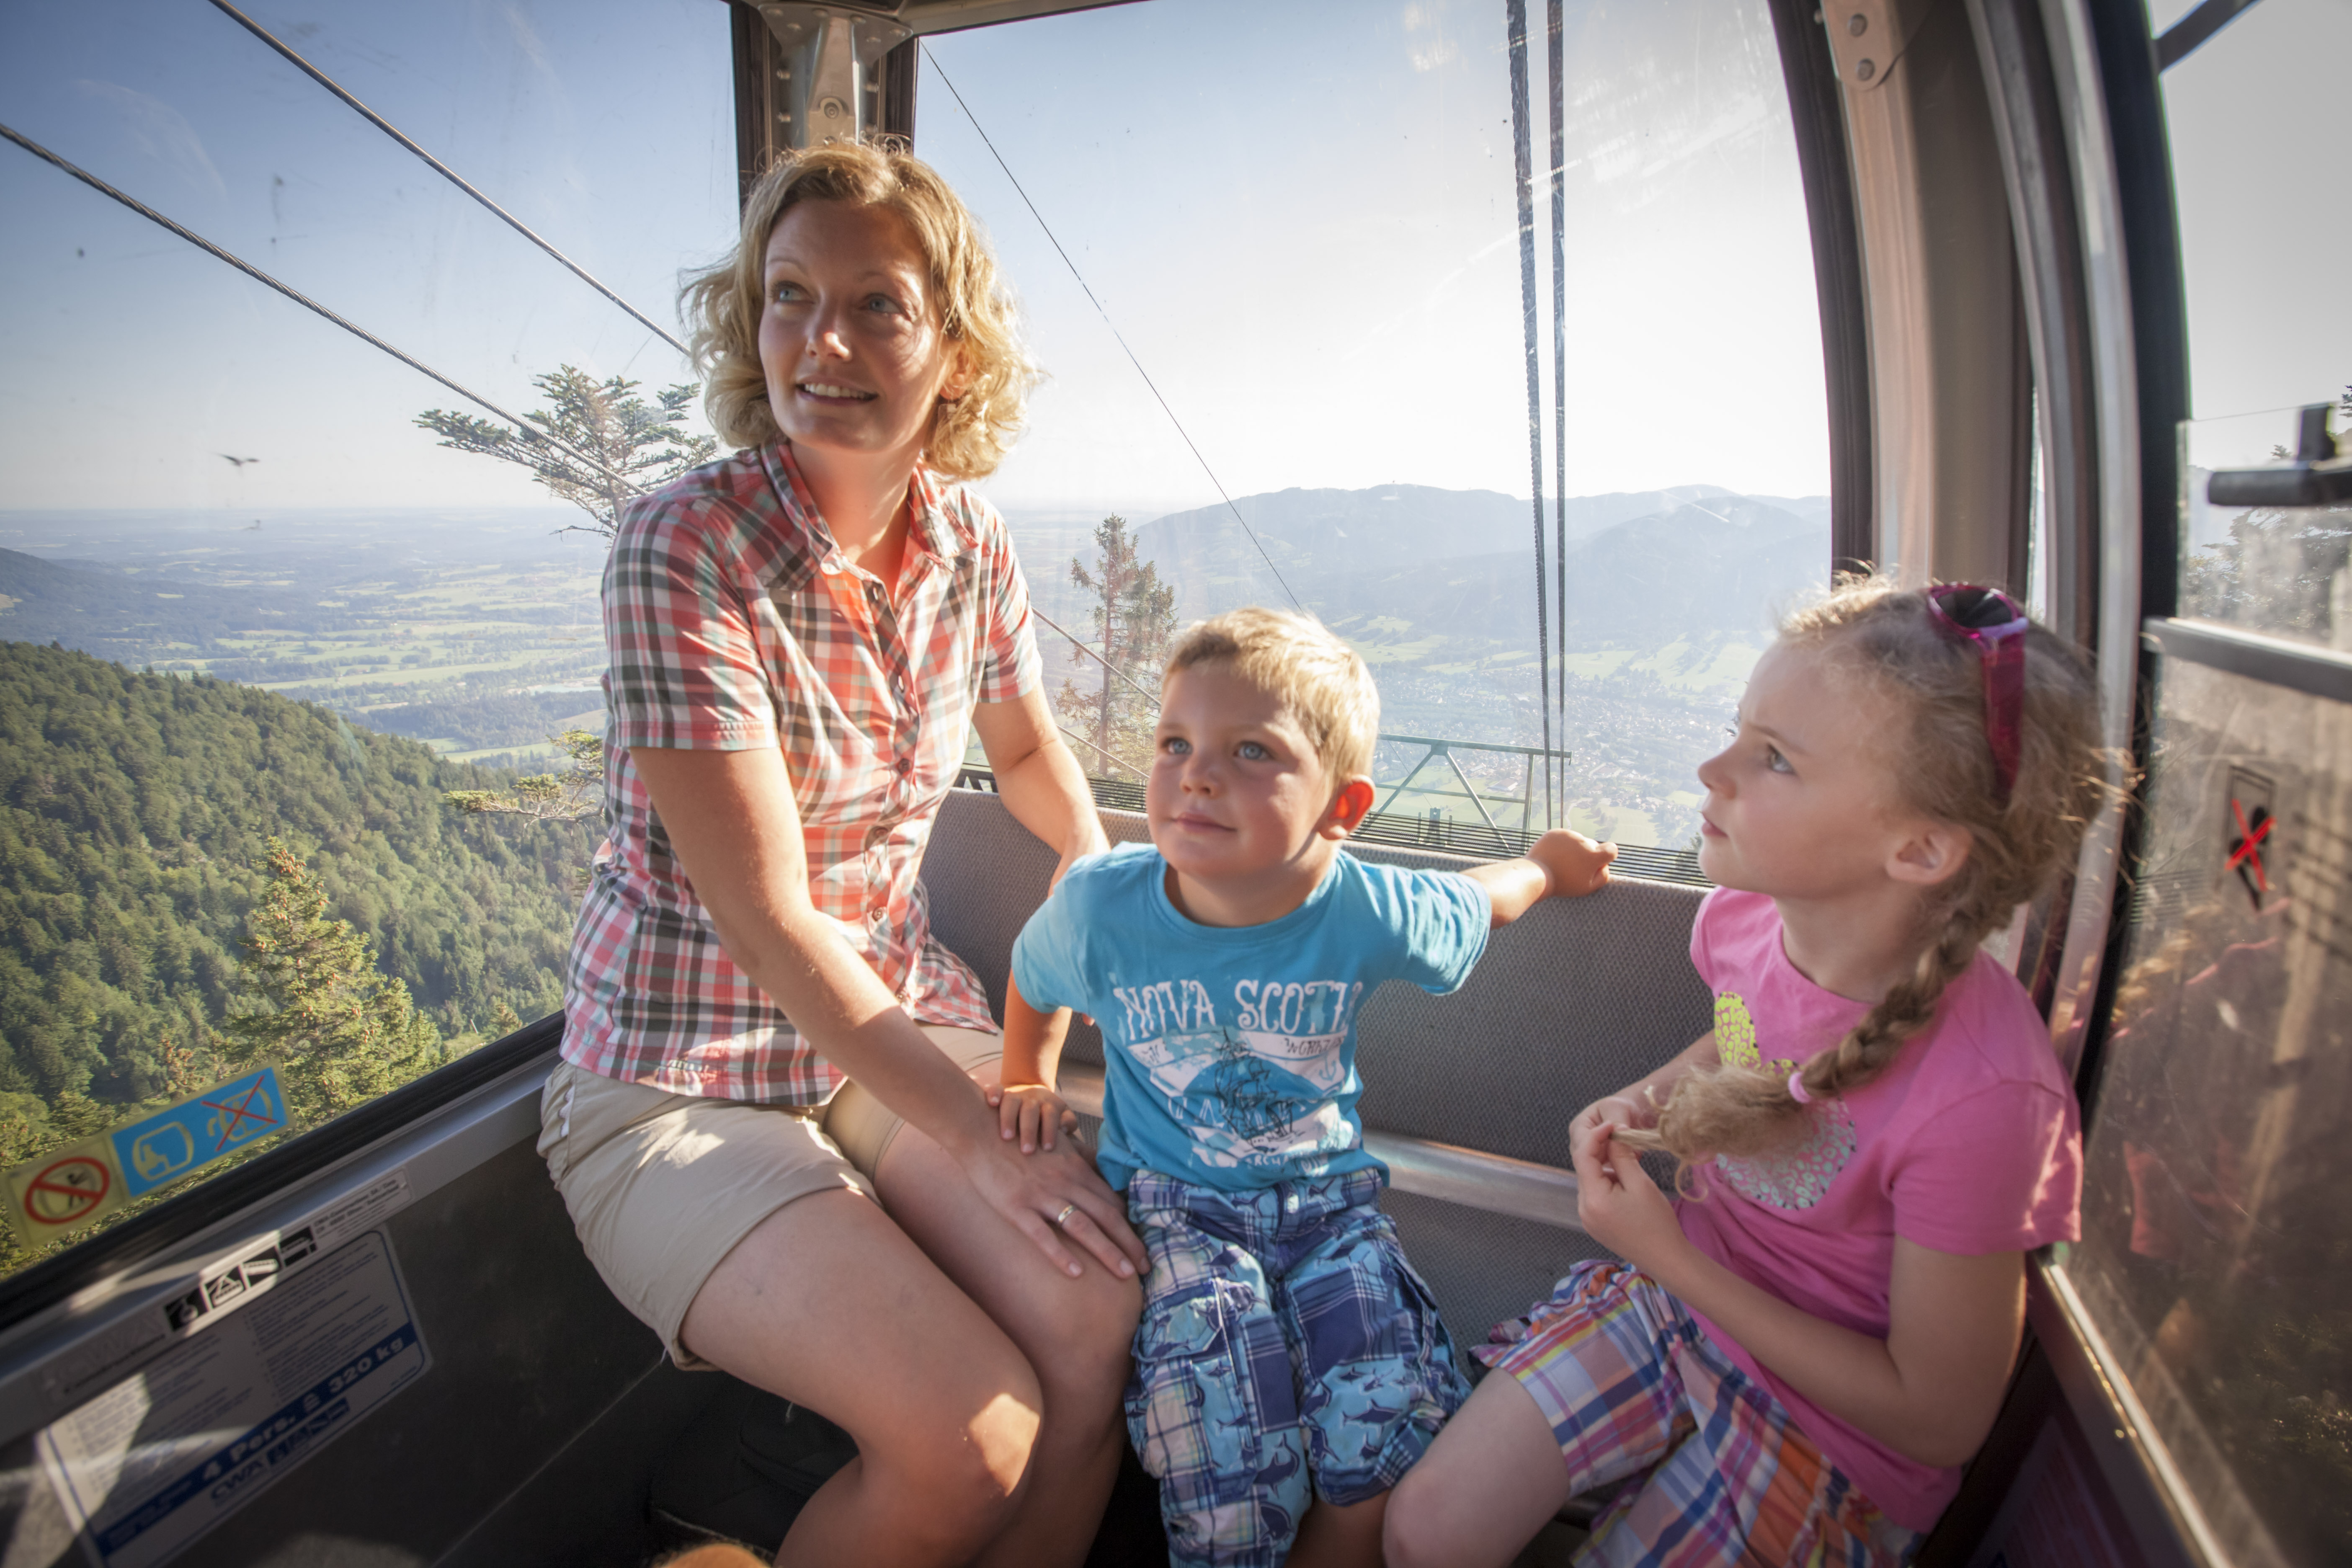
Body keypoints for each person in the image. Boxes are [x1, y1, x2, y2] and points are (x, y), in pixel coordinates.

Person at [536, 141, 1146, 1568]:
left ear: (954, 350)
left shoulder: (969, 543)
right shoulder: (687, 547)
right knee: (969, 1432)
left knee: (1093, 1316)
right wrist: (980, 1139)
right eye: (790, 297)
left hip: (884, 1027)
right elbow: (766, 921)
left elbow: (1030, 756)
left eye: (878, 305)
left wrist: (1091, 857)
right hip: (677, 1075)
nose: (824, 341)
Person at [1384, 579, 2110, 1568]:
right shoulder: (1744, 920)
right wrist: (1645, 1097)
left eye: (1773, 759)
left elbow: (1938, 1419)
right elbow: (1742, 1041)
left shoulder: (1987, 1103)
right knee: (1428, 1530)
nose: (1711, 769)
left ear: (1920, 848)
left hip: (1831, 1431)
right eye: (1739, 731)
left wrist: (1670, 1254)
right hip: (1679, 1300)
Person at [995, 607, 1619, 1568]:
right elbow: (1035, 978)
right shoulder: (1100, 906)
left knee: (1386, 1438)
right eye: (1175, 743)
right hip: (1177, 1215)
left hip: (1332, 1212)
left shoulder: (1366, 906)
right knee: (1228, 1460)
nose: (1197, 774)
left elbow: (1479, 904)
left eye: (1252, 751)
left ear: (1342, 808)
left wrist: (1545, 865)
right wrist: (1026, 1076)